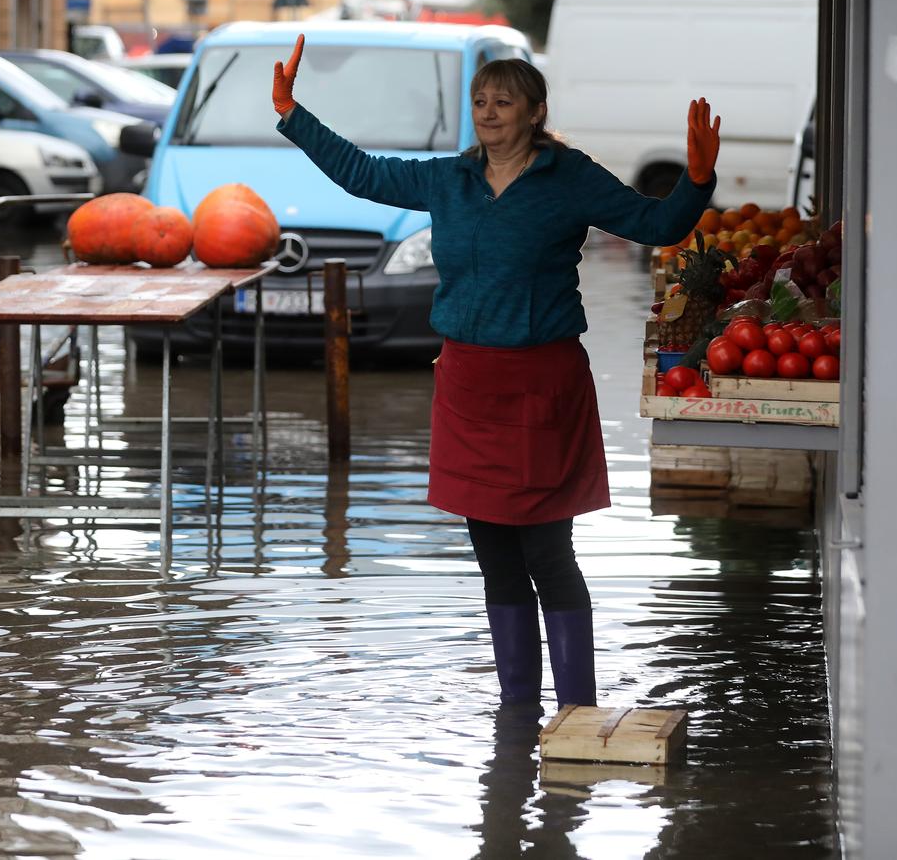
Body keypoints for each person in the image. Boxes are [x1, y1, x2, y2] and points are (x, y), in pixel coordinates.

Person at [271, 35, 720, 708]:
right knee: (495, 556)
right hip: (468, 387)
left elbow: (655, 224)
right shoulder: (447, 179)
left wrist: (698, 180)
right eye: (480, 100)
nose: (488, 110)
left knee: (547, 552)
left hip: (544, 384)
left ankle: (576, 713)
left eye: (503, 101)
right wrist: (292, 112)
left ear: (535, 112)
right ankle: (517, 718)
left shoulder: (569, 178)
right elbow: (363, 172)